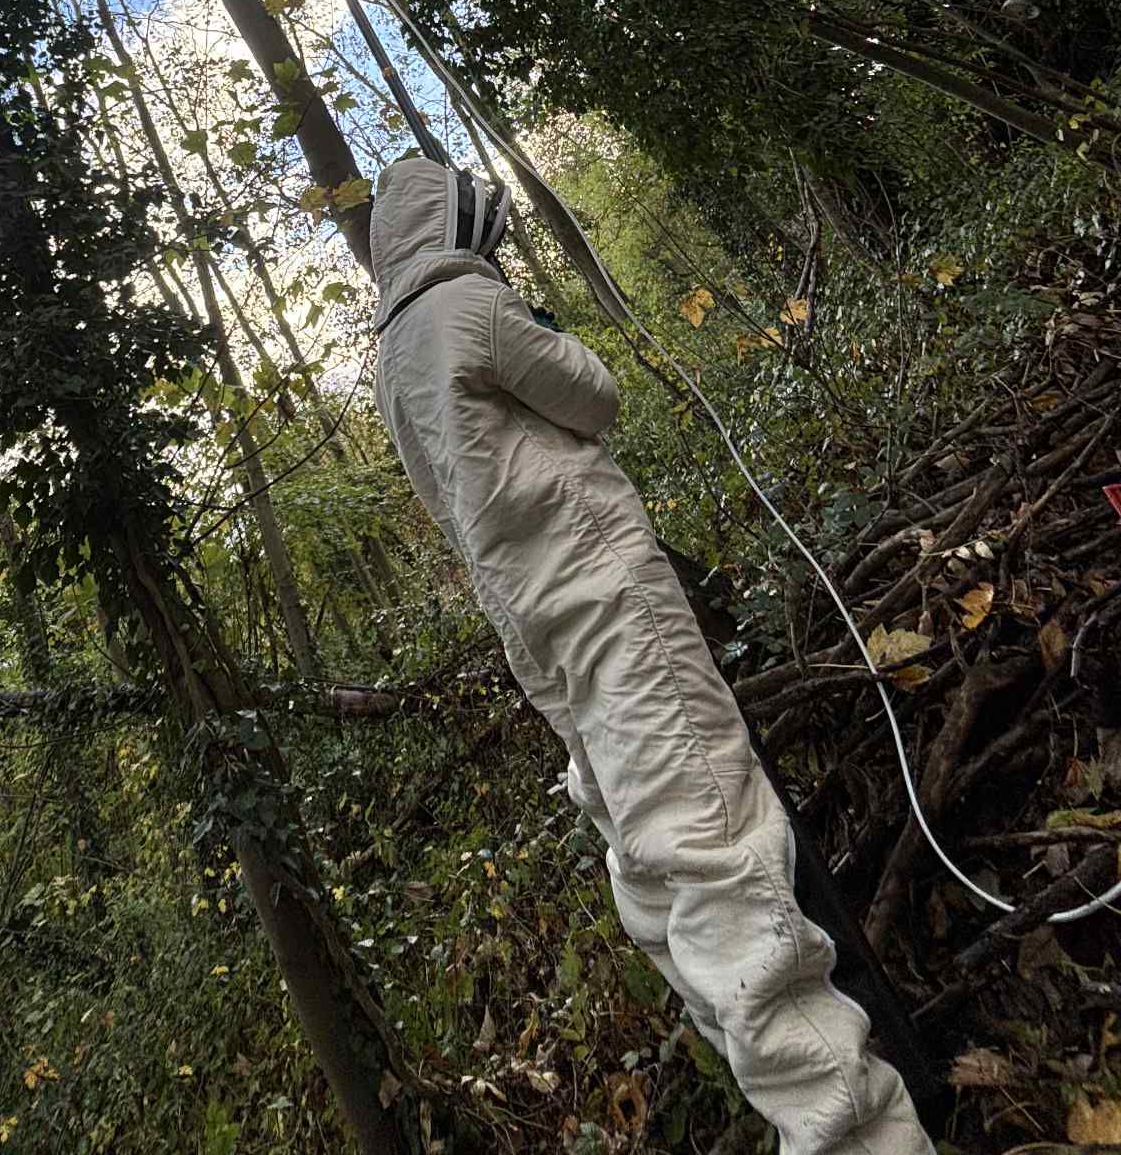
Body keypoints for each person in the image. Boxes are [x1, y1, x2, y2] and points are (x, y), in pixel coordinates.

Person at [371, 157, 934, 1155]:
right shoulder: (470, 300)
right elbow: (593, 395)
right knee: (714, 844)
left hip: (538, 632)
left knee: (651, 866)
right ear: (454, 227)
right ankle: (855, 1130)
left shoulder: (391, 357)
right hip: (606, 596)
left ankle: (801, 1086)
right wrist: (535, 319)